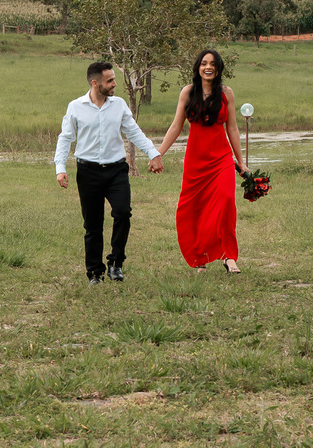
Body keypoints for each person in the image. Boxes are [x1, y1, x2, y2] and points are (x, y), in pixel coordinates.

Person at [55, 61, 162, 285]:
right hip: (88, 171)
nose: (115, 84)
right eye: (110, 80)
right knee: (92, 225)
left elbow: (134, 132)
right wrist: (60, 168)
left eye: (114, 79)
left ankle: (116, 263)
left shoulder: (119, 105)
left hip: (116, 170)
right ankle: (95, 272)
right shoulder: (76, 107)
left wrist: (154, 153)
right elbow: (65, 138)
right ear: (95, 83)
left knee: (122, 213)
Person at [156, 49, 247, 274]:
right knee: (194, 209)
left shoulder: (227, 93)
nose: (208, 67)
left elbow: (233, 128)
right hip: (196, 159)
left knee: (226, 201)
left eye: (213, 64)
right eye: (204, 63)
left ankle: (229, 256)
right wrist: (158, 153)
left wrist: (241, 162)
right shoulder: (187, 92)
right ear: (198, 67)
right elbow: (176, 126)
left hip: (222, 157)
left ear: (218, 68)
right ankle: (200, 258)